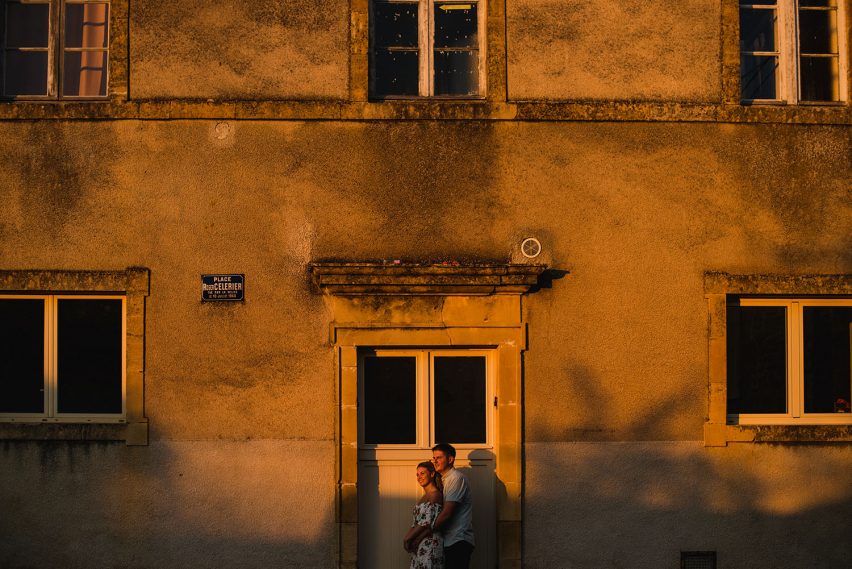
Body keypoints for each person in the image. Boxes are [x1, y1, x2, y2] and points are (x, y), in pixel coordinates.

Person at [429, 443, 475, 569]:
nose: (435, 461)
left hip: (458, 541)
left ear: (450, 459)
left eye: (439, 458)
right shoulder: (444, 480)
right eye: (434, 458)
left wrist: (426, 532)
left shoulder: (456, 478)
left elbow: (447, 512)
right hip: (449, 541)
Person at [403, 461, 444, 569]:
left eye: (422, 473)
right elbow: (415, 523)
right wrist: (411, 540)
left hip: (430, 544)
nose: (419, 477)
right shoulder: (423, 497)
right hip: (419, 546)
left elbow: (427, 523)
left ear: (432, 474)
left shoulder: (436, 495)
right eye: (417, 474)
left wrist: (407, 538)